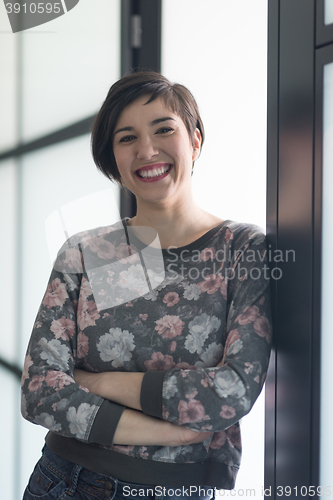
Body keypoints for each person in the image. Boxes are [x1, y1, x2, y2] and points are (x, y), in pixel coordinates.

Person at [21, 71, 272, 500]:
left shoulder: (243, 248)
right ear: (112, 158)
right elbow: (40, 391)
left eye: (163, 130)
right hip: (66, 481)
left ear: (194, 140)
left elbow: (231, 394)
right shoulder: (86, 252)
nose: (147, 150)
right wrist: (172, 434)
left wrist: (95, 382)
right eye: (126, 138)